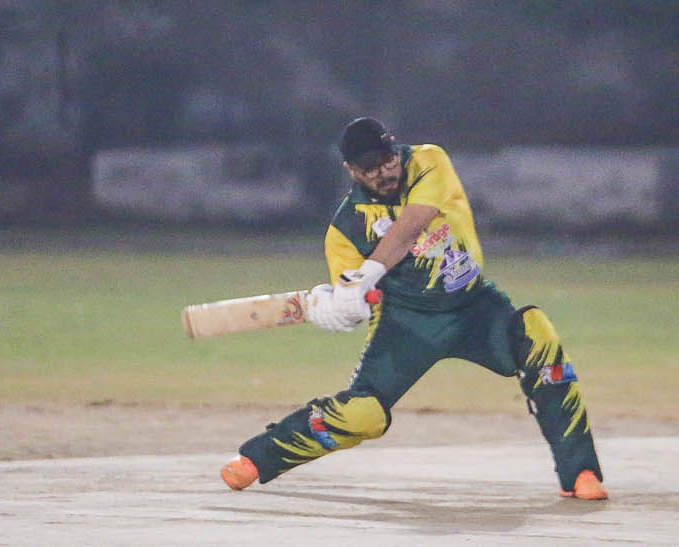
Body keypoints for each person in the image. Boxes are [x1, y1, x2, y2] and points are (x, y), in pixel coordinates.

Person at [219, 117, 607, 500]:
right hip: (405, 324)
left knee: (536, 335)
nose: (385, 172)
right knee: (363, 415)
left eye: (388, 159)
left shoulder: (427, 161)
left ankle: (580, 472)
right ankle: (257, 459)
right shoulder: (344, 231)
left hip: (474, 307)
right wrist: (337, 307)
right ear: (351, 170)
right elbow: (354, 304)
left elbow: (410, 227)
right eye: (371, 168)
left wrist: (367, 273)